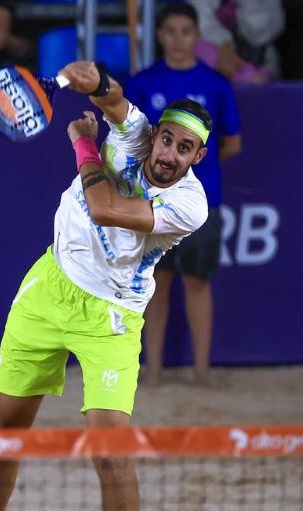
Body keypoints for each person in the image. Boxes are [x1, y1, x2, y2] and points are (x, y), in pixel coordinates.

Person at [0, 61, 212, 511]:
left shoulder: (190, 204)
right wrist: (94, 81)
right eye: (167, 140)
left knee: (111, 453)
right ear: (156, 133)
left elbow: (104, 208)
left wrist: (84, 142)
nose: (169, 155)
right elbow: (114, 100)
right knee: (5, 428)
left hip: (112, 318)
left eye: (185, 149)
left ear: (197, 157)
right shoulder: (134, 135)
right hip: (49, 287)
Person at [127, 2, 241, 386]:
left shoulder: (215, 84)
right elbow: (133, 142)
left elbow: (233, 143)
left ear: (198, 36)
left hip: (202, 204)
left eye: (186, 31)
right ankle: (153, 370)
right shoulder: (142, 83)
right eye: (170, 31)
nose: (178, 39)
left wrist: (191, 174)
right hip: (154, 203)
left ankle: (202, 371)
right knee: (155, 283)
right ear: (159, 36)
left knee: (197, 283)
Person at [187, 0, 285, 83]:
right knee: (194, 45)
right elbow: (200, 22)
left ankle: (248, 76)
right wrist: (224, 44)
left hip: (257, 58)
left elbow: (264, 33)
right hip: (214, 54)